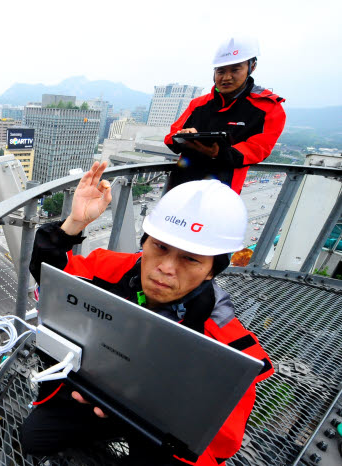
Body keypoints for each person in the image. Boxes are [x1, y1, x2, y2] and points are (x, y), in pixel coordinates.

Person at [21, 162, 274, 465]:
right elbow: (53, 277)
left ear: (211, 272)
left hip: (156, 429)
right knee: (34, 438)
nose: (165, 268)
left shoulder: (225, 346)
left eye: (190, 259)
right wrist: (74, 223)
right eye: (160, 247)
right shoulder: (111, 269)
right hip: (94, 394)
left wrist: (143, 417)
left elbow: (218, 443)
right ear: (145, 244)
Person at [164, 37, 286, 194]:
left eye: (235, 70)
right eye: (220, 71)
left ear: (252, 67)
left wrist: (220, 153)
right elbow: (170, 138)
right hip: (181, 185)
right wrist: (181, 137)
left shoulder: (267, 107)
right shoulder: (199, 104)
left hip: (223, 190)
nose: (226, 77)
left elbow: (259, 148)